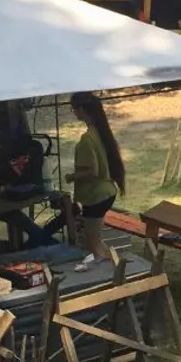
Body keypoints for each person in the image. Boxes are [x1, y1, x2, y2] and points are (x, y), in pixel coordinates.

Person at [65, 92, 125, 263]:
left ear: (82, 109)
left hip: (96, 196)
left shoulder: (87, 139)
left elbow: (93, 171)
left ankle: (110, 271)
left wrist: (71, 177)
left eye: (74, 109)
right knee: (95, 241)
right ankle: (117, 264)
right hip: (107, 192)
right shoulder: (101, 132)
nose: (74, 112)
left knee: (93, 244)